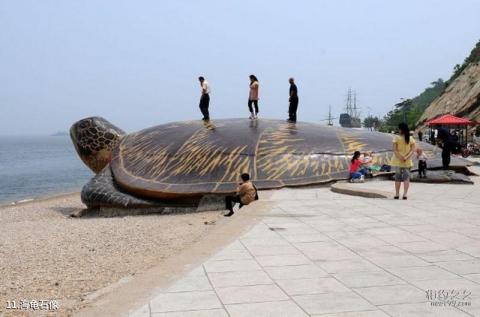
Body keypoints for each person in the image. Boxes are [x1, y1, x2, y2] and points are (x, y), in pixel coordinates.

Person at [391, 123, 416, 199]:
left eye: (399, 129)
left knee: (397, 178)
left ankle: (397, 194)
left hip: (398, 161)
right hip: (407, 161)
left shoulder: (396, 138)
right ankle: (405, 194)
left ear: (401, 129)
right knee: (406, 178)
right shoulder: (411, 138)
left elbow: (395, 150)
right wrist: (406, 157)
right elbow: (412, 150)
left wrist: (401, 157)